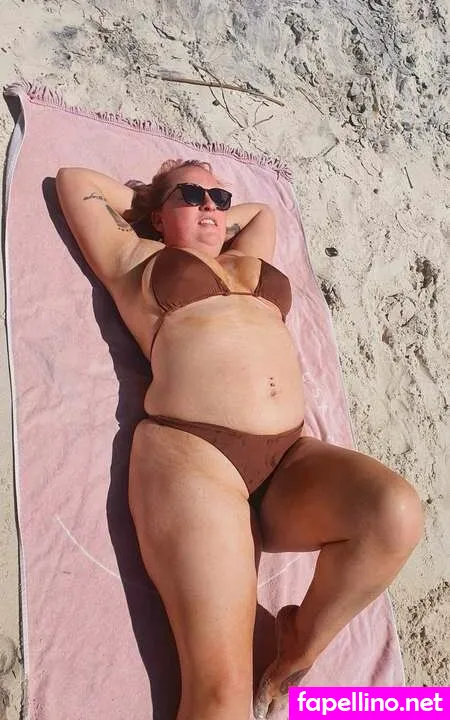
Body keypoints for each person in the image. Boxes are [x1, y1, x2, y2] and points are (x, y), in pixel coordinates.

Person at [56, 159, 423, 720]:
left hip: (291, 456)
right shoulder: (134, 257)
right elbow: (74, 181)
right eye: (191, 194)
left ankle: (299, 644)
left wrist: (201, 211)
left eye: (220, 197)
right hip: (195, 457)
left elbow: (262, 214)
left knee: (395, 513)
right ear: (157, 215)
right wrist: (150, 205)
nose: (211, 205)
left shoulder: (247, 257)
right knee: (221, 697)